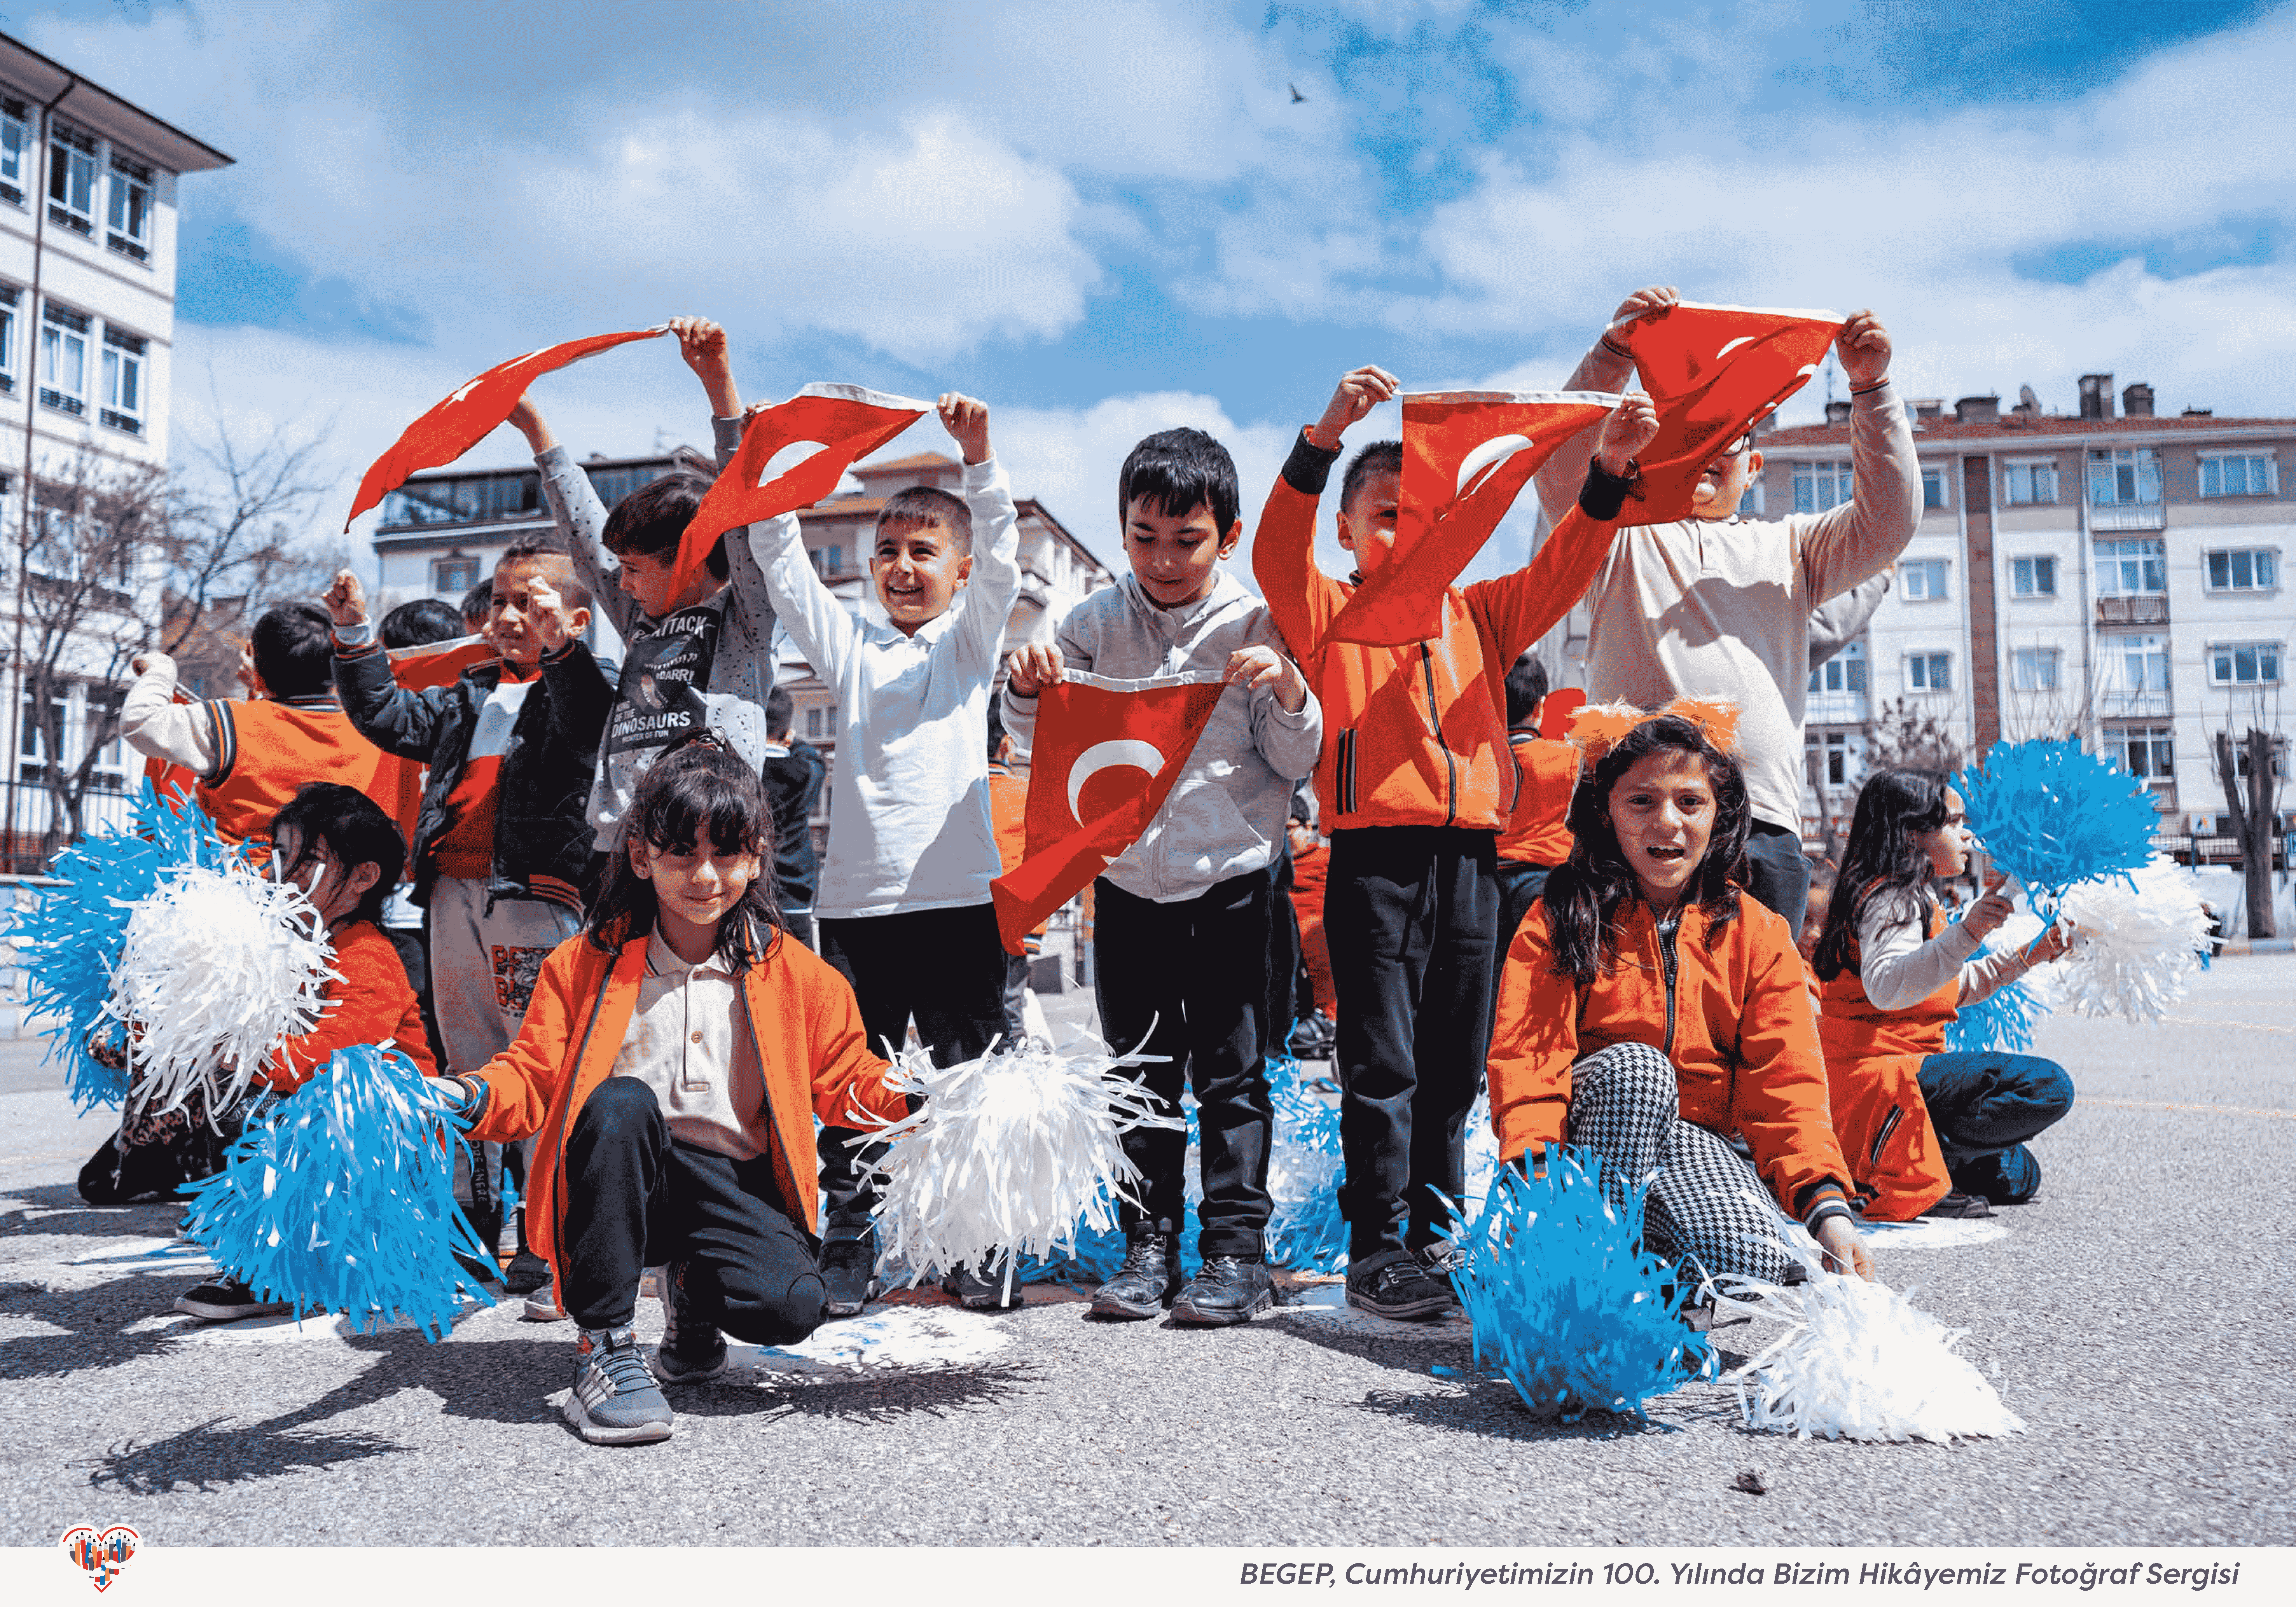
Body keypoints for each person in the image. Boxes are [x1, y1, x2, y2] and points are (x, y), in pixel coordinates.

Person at [1251, 364, 1661, 1319]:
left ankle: (1436, 1233)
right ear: (1348, 531)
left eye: (1418, 514)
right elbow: (1274, 551)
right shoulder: (1328, 611)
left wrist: (1605, 468)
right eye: (1381, 514)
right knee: (1382, 1061)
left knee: (1451, 1061)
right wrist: (1323, 434)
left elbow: (1564, 566)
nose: (1401, 530)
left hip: (1472, 857)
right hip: (1374, 860)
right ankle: (1375, 1248)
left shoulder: (1477, 613)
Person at [434, 738, 909, 1445]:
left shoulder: (803, 975)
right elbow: (529, 1075)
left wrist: (925, 1098)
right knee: (620, 1101)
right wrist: (462, 1095)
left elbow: (847, 1081)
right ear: (640, 856)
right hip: (619, 1174)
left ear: (756, 857)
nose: (705, 874)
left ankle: (691, 1290)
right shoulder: (581, 962)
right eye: (682, 852)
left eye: (727, 853)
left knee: (793, 1306)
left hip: (732, 1183)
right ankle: (605, 1346)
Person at [1005, 426, 1321, 1325]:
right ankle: (1147, 1245)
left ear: (1225, 535)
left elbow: (1292, 758)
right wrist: (1026, 690)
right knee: (1136, 1071)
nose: (1163, 557)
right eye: (1143, 536)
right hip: (1127, 882)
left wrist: (1291, 691)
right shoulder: (1090, 623)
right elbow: (1040, 746)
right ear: (1121, 530)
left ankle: (1233, 1250)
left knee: (1232, 1074)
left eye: (1186, 539)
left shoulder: (1255, 623)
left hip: (1232, 881)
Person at [1530, 287, 1921, 934]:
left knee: (1758, 1017)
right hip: (1638, 818)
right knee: (1633, 1006)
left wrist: (1872, 389)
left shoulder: (1792, 545)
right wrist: (1611, 353)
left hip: (1764, 820)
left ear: (1755, 464)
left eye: (1731, 433)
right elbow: (1559, 468)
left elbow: (1888, 524)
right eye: (1694, 425)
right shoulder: (1618, 531)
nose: (1712, 443)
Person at [751, 392, 1022, 1314]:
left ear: (960, 569)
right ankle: (849, 1239)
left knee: (968, 1080)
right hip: (859, 906)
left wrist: (978, 457)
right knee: (855, 1085)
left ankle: (978, 1239)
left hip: (959, 900)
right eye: (886, 552)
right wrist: (766, 451)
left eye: (922, 552)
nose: (901, 567)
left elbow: (1007, 559)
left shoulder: (970, 645)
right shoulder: (852, 651)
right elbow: (782, 562)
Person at [1487, 704, 1872, 1298]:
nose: (1666, 822)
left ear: (1720, 815)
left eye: (1689, 801)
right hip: (1581, 1145)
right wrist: (1533, 1184)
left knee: (1753, 1264)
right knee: (1640, 1071)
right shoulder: (1562, 915)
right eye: (1640, 800)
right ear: (1605, 811)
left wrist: (1828, 1211)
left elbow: (1786, 1085)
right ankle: (1579, 1272)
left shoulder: (1760, 931)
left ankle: (1653, 1273)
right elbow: (1528, 1065)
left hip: (1693, 1139)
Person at [324, 541, 615, 1302]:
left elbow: (590, 724)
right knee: (469, 1071)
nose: (509, 616)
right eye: (500, 603)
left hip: (533, 899)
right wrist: (356, 639)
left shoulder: (585, 688)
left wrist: (565, 652)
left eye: (532, 602)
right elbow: (387, 716)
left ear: (576, 618)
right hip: (451, 896)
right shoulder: (466, 693)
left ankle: (554, 1239)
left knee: (543, 1065)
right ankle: (473, 1231)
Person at [171, 784, 443, 1321]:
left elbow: (331, 1055)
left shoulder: (368, 956)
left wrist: (242, 1053)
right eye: (280, 857)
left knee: (291, 1111)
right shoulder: (289, 944)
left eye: (309, 860)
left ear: (364, 877)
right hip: (331, 1123)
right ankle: (285, 1256)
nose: (285, 874)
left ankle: (292, 1268)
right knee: (246, 1105)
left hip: (386, 1140)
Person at [515, 316, 781, 839]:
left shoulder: (746, 621)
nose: (624, 583)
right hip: (623, 836)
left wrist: (719, 388)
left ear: (689, 560)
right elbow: (582, 533)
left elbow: (740, 514)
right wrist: (533, 427)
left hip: (708, 839)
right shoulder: (639, 615)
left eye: (633, 569)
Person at [1809, 768, 2076, 1218]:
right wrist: (1969, 931)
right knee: (2046, 1087)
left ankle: (1915, 1157)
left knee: (2019, 1174)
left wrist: (2031, 954)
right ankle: (1892, 1159)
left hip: (1905, 1072)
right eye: (1952, 822)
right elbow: (1889, 989)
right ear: (1911, 834)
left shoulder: (1916, 898)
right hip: (1878, 1078)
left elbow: (1949, 987)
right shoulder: (1889, 898)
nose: (1966, 834)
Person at [118, 603, 396, 844]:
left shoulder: (227, 723)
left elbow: (139, 722)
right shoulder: (368, 730)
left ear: (259, 668)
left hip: (241, 892)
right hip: (329, 893)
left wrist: (160, 671)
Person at [1493, 652, 1577, 990]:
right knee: (1545, 984)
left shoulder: (1477, 762)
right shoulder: (1570, 760)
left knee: (1494, 987)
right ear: (1541, 707)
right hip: (1547, 885)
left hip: (1488, 883)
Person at [984, 704, 1046, 1045]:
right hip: (1015, 922)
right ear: (1007, 744)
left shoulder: (961, 798)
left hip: (964, 920)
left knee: (972, 1015)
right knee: (1011, 1012)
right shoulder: (1025, 792)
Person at [759, 686, 828, 950]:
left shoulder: (740, 769)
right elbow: (812, 755)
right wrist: (790, 740)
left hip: (751, 895)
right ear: (788, 734)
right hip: (794, 899)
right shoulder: (808, 771)